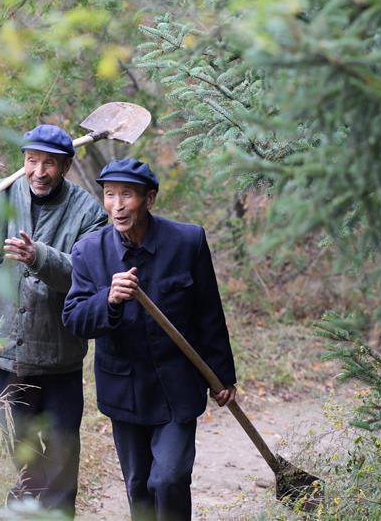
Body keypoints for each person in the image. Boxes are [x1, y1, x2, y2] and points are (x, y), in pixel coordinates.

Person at [61, 158, 237, 521]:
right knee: (139, 485)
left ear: (150, 199)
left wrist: (222, 377)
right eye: (110, 195)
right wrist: (107, 298)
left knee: (169, 478)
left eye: (128, 195)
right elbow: (75, 318)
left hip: (178, 386)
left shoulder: (187, 242)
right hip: (124, 388)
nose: (118, 205)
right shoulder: (88, 252)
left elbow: (208, 313)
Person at [0, 124, 107, 515]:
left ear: (67, 166)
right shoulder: (0, 196)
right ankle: (29, 500)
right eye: (32, 161)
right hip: (7, 350)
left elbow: (85, 276)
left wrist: (38, 256)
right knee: (14, 441)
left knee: (60, 450)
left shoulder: (88, 212)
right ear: (23, 161)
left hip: (59, 357)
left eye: (50, 164)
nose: (39, 171)